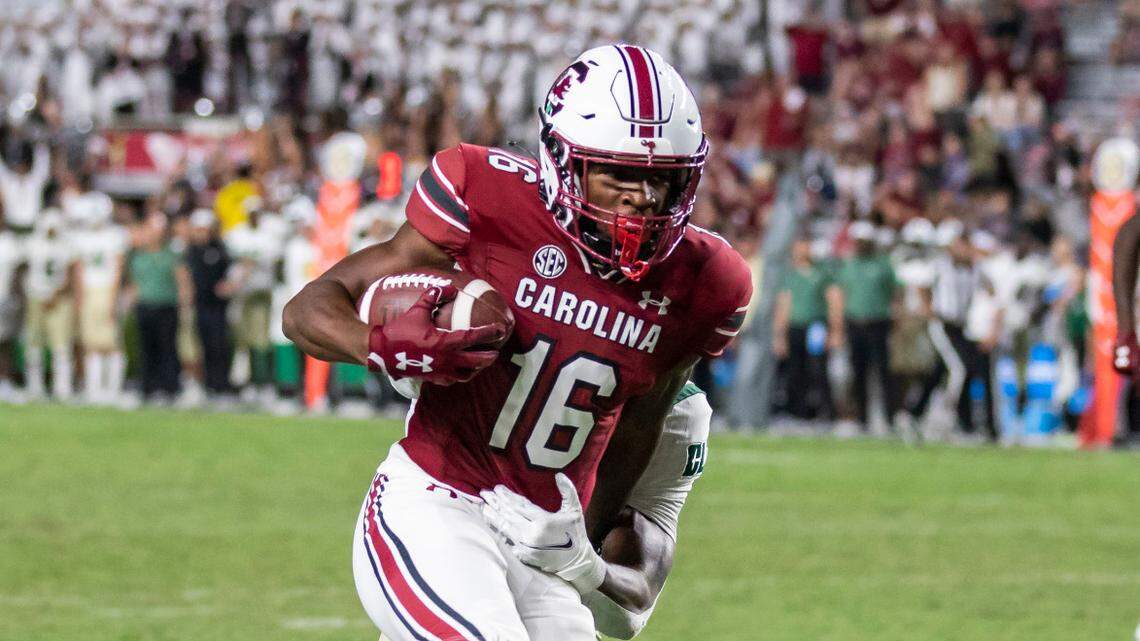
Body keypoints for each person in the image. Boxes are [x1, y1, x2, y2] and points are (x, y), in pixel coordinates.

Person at [284, 45, 751, 641]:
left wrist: (582, 547)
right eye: (619, 173)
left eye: (663, 178)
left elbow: (641, 425)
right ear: (563, 162)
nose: (644, 197)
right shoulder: (487, 196)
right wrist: (377, 345)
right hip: (436, 501)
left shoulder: (706, 280)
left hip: (538, 544)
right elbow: (306, 310)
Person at [376, 382, 713, 641]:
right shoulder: (494, 327)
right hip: (442, 545)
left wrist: (586, 566)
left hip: (548, 603)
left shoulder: (676, 408)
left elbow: (628, 616)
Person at [834, 222, 898, 431]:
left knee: (883, 371)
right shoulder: (850, 264)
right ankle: (862, 419)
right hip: (855, 323)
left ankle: (889, 418)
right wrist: (838, 327)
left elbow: (893, 292)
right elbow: (842, 294)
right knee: (858, 371)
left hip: (878, 323)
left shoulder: (883, 264)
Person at [773, 237, 842, 420]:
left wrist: (835, 330)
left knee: (818, 369)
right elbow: (783, 304)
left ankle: (827, 413)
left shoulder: (822, 273)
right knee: (795, 370)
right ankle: (798, 413)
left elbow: (834, 300)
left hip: (815, 326)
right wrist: (780, 335)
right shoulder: (790, 275)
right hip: (795, 327)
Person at [128, 211, 191, 404]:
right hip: (145, 305)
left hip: (166, 305)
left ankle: (169, 388)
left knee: (168, 348)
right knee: (147, 348)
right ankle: (148, 388)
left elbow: (182, 280)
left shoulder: (171, 254)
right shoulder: (138, 255)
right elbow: (134, 282)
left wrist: (185, 305)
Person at [72, 191, 128, 405]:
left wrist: (114, 298)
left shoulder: (115, 235)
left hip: (106, 290)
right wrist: (79, 297)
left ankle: (113, 389)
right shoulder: (80, 237)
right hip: (89, 291)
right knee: (90, 341)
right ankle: (94, 389)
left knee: (111, 341)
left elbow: (118, 269)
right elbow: (78, 270)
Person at [23, 209, 76, 401]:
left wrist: (56, 293)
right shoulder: (32, 244)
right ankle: (34, 386)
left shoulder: (66, 245)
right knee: (34, 345)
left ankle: (62, 387)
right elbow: (25, 270)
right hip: (35, 296)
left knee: (60, 345)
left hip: (59, 298)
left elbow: (70, 273)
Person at [185, 209, 234, 400]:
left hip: (218, 306)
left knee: (219, 345)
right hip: (200, 305)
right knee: (202, 346)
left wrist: (229, 285)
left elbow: (231, 272)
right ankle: (207, 385)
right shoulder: (191, 251)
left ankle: (221, 385)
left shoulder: (220, 248)